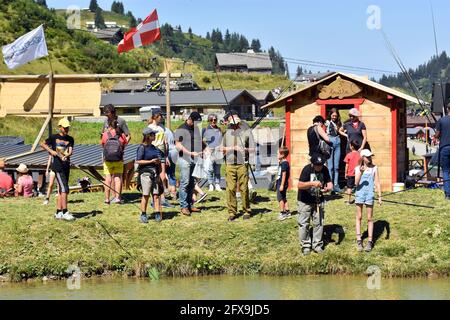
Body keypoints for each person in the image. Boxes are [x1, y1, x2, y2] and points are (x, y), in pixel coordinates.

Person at [221, 110, 255, 221]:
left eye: (237, 123)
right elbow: (222, 149)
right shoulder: (227, 133)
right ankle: (232, 212)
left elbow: (253, 149)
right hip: (230, 164)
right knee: (230, 188)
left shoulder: (246, 132)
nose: (235, 125)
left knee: (244, 188)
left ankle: (246, 211)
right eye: (233, 124)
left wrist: (245, 149)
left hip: (242, 164)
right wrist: (232, 148)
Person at [40, 118, 75, 221]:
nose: (66, 129)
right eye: (65, 127)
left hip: (66, 165)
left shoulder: (70, 139)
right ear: (60, 127)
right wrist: (51, 151)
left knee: (61, 190)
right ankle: (65, 212)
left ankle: (58, 212)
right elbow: (42, 144)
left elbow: (70, 151)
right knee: (65, 189)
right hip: (57, 167)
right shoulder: (53, 137)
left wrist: (66, 155)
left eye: (67, 127)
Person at [297, 155, 333, 256]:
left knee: (319, 223)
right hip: (305, 201)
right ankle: (306, 246)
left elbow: (330, 183)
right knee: (304, 223)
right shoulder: (307, 169)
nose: (319, 167)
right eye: (317, 165)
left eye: (321, 165)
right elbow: (299, 185)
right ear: (313, 164)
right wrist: (312, 183)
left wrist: (328, 188)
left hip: (318, 200)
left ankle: (317, 245)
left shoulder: (324, 169)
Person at [175, 111, 203, 216]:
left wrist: (205, 149)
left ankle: (190, 205)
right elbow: (178, 145)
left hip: (194, 158)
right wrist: (190, 153)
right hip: (184, 158)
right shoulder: (181, 128)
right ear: (190, 119)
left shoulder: (196, 129)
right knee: (185, 183)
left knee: (192, 183)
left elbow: (199, 141)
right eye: (195, 122)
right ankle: (183, 206)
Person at [355, 149, 382, 252]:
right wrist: (361, 173)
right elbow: (356, 184)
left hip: (370, 195)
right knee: (359, 216)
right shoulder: (358, 168)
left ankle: (370, 241)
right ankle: (359, 239)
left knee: (370, 218)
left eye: (370, 156)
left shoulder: (374, 168)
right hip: (359, 194)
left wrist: (379, 196)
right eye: (367, 157)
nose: (370, 158)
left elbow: (377, 182)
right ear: (363, 158)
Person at [136, 128, 164, 223]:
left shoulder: (154, 147)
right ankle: (143, 214)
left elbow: (159, 159)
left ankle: (157, 212)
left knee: (156, 195)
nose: (155, 136)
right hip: (145, 174)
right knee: (146, 195)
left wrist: (159, 172)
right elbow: (138, 161)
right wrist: (150, 161)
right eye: (153, 134)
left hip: (155, 173)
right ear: (148, 136)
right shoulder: (142, 147)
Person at [101, 119, 128, 204]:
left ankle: (107, 199)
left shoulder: (105, 135)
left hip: (107, 160)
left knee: (108, 179)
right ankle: (117, 198)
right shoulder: (122, 135)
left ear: (109, 126)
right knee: (117, 178)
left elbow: (102, 144)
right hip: (118, 159)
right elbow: (124, 144)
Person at [325, 109, 345, 193]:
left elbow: (342, 130)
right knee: (330, 167)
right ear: (330, 115)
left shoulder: (339, 123)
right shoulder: (327, 122)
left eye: (336, 116)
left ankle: (336, 185)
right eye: (333, 116)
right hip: (330, 140)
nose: (334, 117)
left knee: (336, 166)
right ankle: (330, 185)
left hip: (337, 141)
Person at [203, 114, 223, 192]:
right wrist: (206, 148)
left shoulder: (219, 129)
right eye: (211, 120)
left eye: (215, 120)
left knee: (217, 169)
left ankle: (217, 184)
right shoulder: (205, 129)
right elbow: (200, 140)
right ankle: (211, 184)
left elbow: (221, 140)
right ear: (209, 120)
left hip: (218, 151)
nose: (213, 121)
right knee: (210, 169)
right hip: (210, 151)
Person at [435, 105, 450, 200]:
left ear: (447, 109)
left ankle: (448, 194)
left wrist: (435, 136)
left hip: (444, 148)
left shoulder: (441, 120)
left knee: (445, 171)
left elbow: (437, 134)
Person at [162, 117, 178, 200]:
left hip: (167, 152)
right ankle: (173, 192)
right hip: (174, 152)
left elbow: (165, 144)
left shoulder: (160, 130)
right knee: (171, 173)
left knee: (162, 172)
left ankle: (164, 191)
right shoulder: (169, 130)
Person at [344, 140, 361, 205]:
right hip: (358, 174)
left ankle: (348, 200)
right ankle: (358, 200)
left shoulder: (349, 155)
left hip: (350, 174)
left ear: (352, 146)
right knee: (358, 187)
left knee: (349, 187)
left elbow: (347, 165)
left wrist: (346, 173)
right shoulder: (359, 155)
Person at [276, 146, 291, 221]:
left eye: (278, 154)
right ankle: (287, 212)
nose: (277, 155)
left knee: (280, 198)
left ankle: (282, 213)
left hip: (281, 182)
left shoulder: (284, 164)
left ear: (282, 155)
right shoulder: (283, 163)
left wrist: (281, 185)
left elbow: (284, 175)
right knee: (284, 197)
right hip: (281, 182)